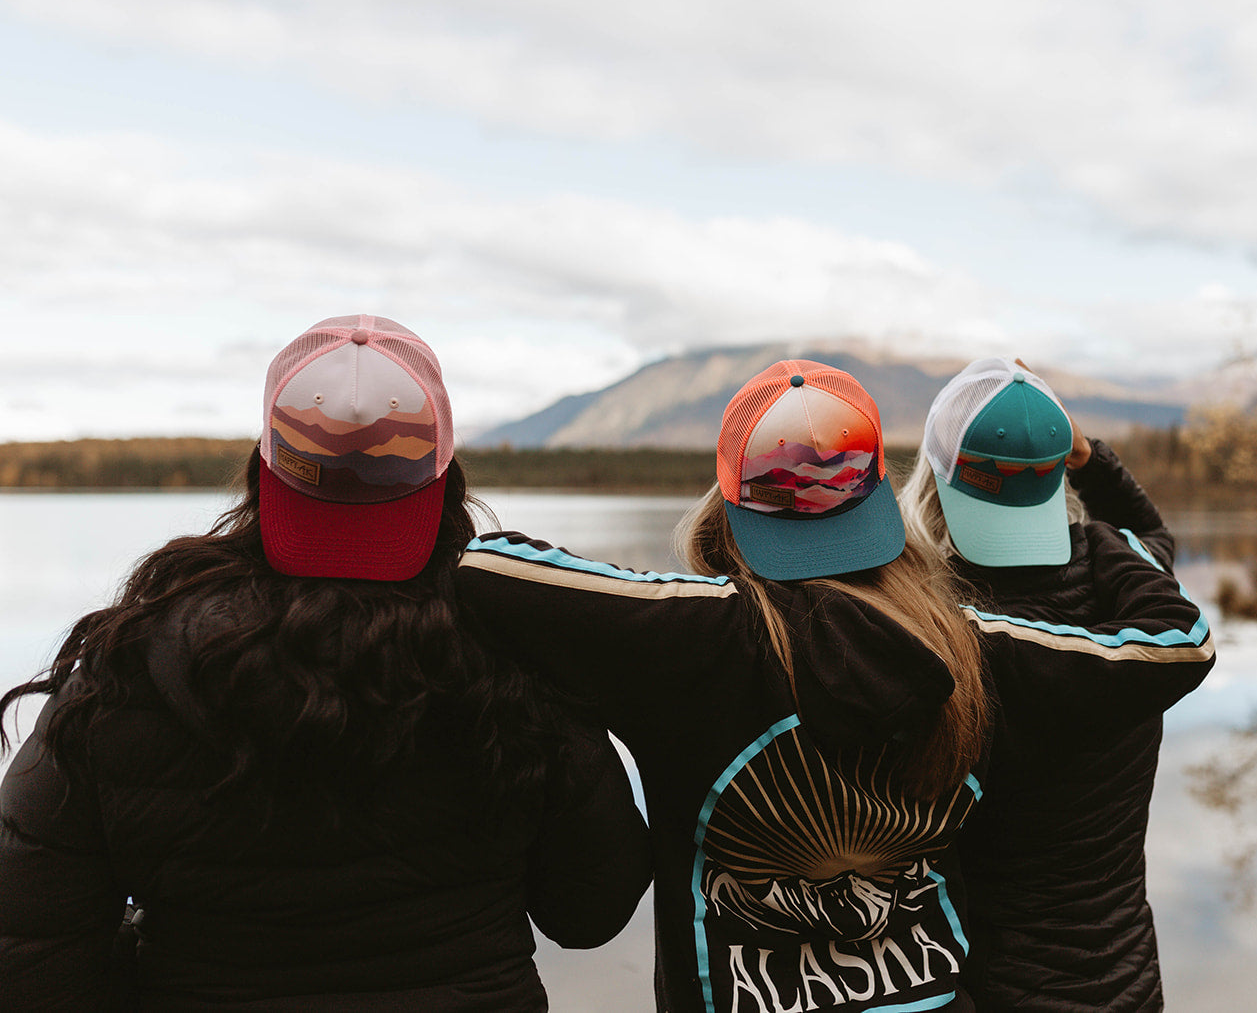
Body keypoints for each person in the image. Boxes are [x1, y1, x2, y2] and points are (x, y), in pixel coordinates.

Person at [456, 358, 1214, 1013]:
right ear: (882, 496)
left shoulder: (697, 643)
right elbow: (1175, 650)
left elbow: (489, 569)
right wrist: (1101, 532)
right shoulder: (971, 646)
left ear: (726, 499)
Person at [0, 315, 651, 1011]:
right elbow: (591, 909)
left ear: (265, 474)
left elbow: (32, 950)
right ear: (443, 481)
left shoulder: (128, 666)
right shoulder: (520, 654)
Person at [901, 356, 1206, 1012]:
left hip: (994, 988)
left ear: (934, 479)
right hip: (1128, 982)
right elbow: (1150, 532)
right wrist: (1088, 458)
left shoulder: (938, 641)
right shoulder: (1125, 587)